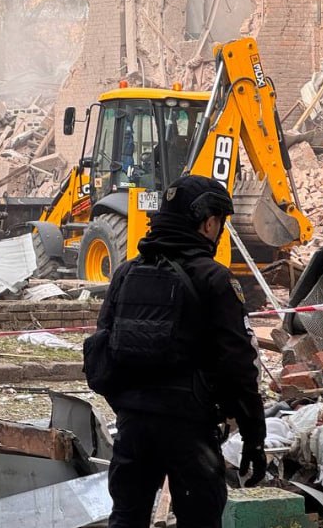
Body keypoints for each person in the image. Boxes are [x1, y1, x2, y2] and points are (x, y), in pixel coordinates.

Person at [95, 175, 266, 528]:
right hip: (189, 430)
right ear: (209, 223)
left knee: (126, 518)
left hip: (133, 426)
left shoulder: (126, 273)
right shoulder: (214, 279)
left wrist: (129, 407)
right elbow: (238, 366)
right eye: (220, 223)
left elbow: (101, 351)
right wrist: (254, 438)